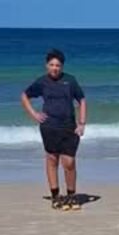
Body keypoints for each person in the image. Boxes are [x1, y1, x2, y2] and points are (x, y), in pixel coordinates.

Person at [20, 49, 87, 210]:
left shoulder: (70, 81)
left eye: (58, 65)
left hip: (69, 127)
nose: (55, 68)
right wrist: (34, 114)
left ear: (62, 66)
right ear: (46, 65)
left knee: (69, 162)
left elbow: (82, 100)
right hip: (49, 127)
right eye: (51, 65)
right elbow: (24, 95)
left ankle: (71, 196)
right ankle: (56, 197)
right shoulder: (42, 82)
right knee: (52, 159)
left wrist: (82, 122)